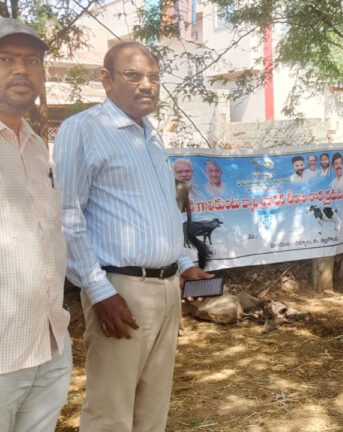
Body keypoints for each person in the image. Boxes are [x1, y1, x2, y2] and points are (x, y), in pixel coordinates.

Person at [54, 41, 213, 432]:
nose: (147, 85)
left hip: (167, 288)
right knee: (111, 412)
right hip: (120, 290)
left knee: (153, 408)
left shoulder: (150, 135)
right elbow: (68, 217)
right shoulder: (83, 129)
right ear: (106, 80)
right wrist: (100, 292)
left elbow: (163, 209)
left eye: (154, 77)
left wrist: (185, 264)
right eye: (133, 75)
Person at [0, 18, 72, 432]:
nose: (20, 69)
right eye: (5, 59)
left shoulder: (35, 146)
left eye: (31, 60)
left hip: (49, 342)